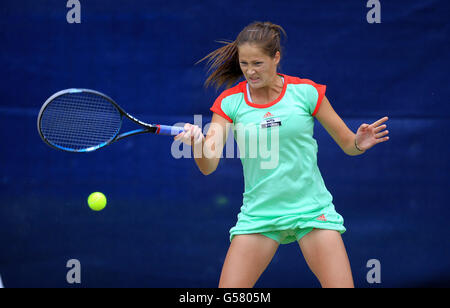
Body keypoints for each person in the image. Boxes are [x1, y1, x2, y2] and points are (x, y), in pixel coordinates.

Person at [175, 21, 389, 288]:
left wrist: (358, 142)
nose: (250, 72)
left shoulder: (306, 93)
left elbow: (348, 144)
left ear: (276, 57)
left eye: (257, 63)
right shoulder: (230, 103)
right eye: (244, 64)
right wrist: (197, 143)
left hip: (312, 210)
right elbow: (208, 165)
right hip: (260, 214)